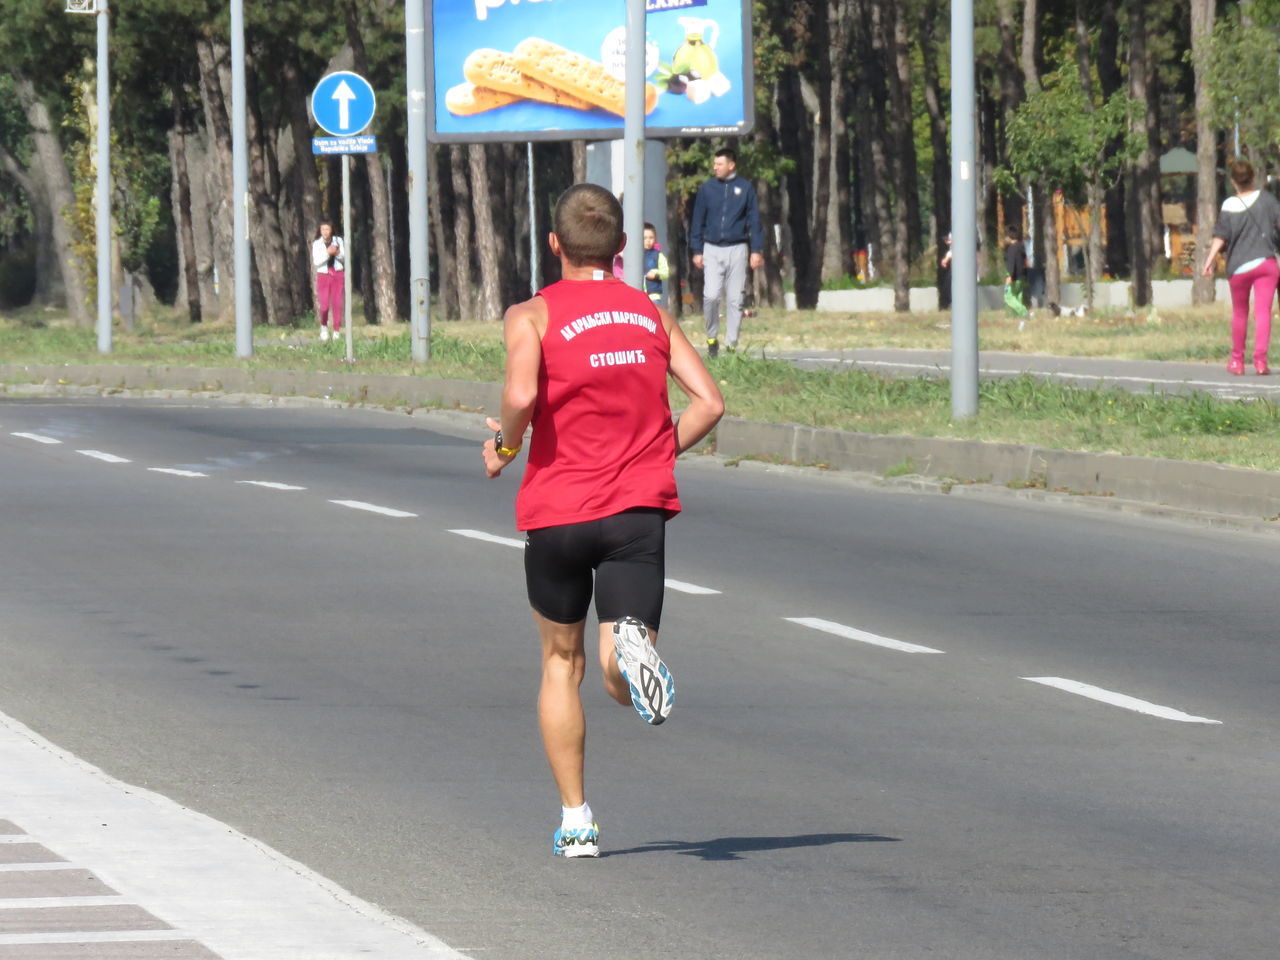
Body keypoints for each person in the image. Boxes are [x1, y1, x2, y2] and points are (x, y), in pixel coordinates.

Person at [481, 183, 723, 859]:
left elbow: (524, 394)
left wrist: (503, 448)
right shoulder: (649, 313)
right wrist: (651, 453)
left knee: (561, 662)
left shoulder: (530, 316)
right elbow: (708, 404)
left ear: (554, 244)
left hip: (558, 513)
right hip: (636, 512)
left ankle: (577, 820)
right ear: (621, 248)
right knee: (620, 660)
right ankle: (633, 661)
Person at [1201, 159, 1280, 375]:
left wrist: (1209, 262)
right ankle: (1261, 362)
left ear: (1233, 181)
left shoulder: (1228, 205)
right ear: (1253, 177)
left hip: (1239, 267)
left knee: (1240, 313)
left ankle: (1237, 361)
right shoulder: (1267, 200)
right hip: (1266, 263)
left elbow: (1220, 237)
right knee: (1262, 312)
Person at [690, 146, 764, 357]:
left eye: (719, 164)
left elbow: (755, 220)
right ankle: (712, 337)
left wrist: (756, 250)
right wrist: (696, 249)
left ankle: (731, 344)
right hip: (711, 248)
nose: (715, 167)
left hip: (738, 248)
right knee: (711, 296)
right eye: (714, 164)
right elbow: (698, 220)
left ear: (731, 165)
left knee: (734, 300)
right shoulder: (707, 189)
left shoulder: (745, 188)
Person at [311, 221, 345, 342]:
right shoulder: (317, 243)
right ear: (320, 231)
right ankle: (324, 327)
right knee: (324, 305)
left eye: (327, 229)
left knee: (337, 303)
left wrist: (337, 252)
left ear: (331, 230)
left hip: (337, 274)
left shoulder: (338, 241)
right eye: (323, 230)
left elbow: (344, 257)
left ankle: (336, 331)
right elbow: (317, 261)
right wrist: (327, 253)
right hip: (323, 275)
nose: (325, 232)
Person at [642, 222, 670, 306]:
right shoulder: (635, 255)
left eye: (651, 237)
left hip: (653, 295)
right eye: (645, 238)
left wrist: (656, 274)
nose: (648, 240)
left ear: (655, 238)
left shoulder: (658, 255)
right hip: (638, 294)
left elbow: (666, 273)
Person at [1003, 224, 1028, 312]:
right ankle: (1016, 315)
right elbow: (1024, 261)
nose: (1005, 238)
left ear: (1009, 237)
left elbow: (1011, 263)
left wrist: (1010, 276)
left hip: (1013, 276)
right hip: (1021, 277)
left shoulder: (1011, 249)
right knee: (1018, 296)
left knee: (1008, 297)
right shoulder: (1021, 247)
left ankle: (1023, 312)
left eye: (1005, 236)